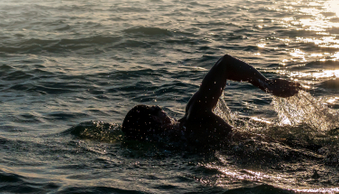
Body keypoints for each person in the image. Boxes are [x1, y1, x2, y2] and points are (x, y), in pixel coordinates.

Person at [122, 54, 300, 147]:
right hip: (274, 151)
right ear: (153, 120)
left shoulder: (173, 148)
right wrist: (268, 85)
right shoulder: (195, 116)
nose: (159, 107)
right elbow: (225, 63)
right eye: (154, 109)